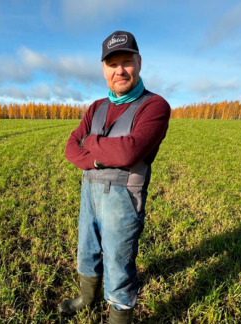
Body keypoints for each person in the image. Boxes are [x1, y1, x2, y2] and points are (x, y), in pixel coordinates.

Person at [60, 30, 171, 323]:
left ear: (139, 62)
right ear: (103, 69)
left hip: (123, 199)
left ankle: (118, 316)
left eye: (126, 62)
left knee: (119, 265)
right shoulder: (96, 107)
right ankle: (87, 297)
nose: (119, 70)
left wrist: (91, 145)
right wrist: (100, 154)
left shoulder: (154, 106)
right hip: (90, 195)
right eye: (112, 64)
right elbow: (71, 148)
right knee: (87, 250)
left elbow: (128, 153)